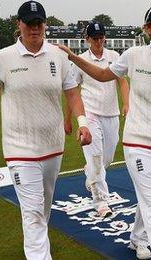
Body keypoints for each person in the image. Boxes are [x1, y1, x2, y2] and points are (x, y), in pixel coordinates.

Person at [57, 4, 151, 260]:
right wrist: (73, 57)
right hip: (138, 141)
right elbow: (104, 75)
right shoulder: (134, 55)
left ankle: (138, 238)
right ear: (148, 28)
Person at [0, 2, 92, 259]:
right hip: (19, 148)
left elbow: (72, 93)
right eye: (29, 23)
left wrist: (83, 123)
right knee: (32, 212)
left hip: (52, 146)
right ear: (18, 25)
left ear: (45, 25)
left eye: (39, 23)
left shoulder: (58, 55)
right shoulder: (4, 57)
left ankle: (35, 246)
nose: (34, 28)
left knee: (43, 209)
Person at [64, 21, 130, 218]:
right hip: (89, 114)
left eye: (101, 37)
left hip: (111, 114)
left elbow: (122, 81)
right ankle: (101, 203)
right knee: (95, 158)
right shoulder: (81, 60)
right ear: (87, 40)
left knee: (105, 159)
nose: (99, 41)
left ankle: (90, 172)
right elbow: (72, 91)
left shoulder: (114, 56)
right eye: (95, 38)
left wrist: (127, 103)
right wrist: (68, 119)